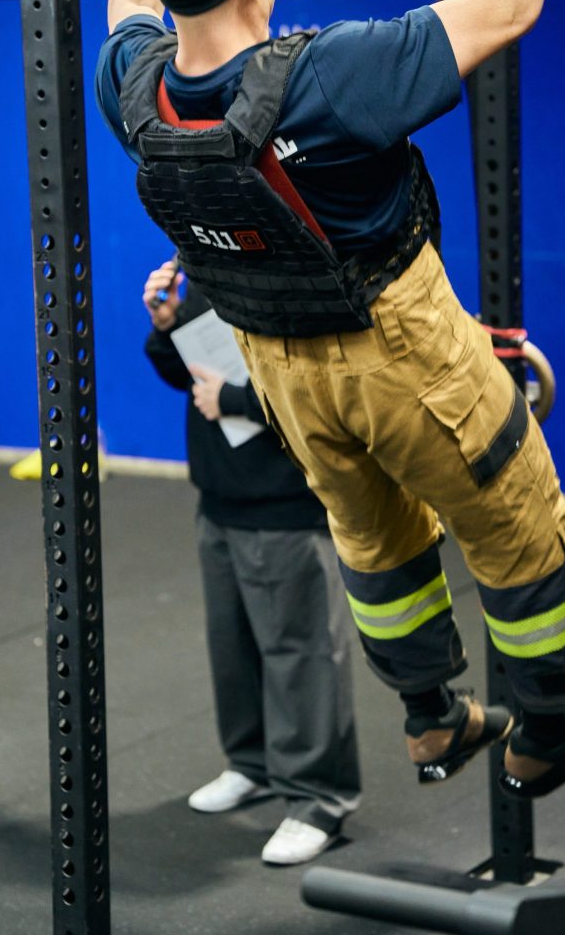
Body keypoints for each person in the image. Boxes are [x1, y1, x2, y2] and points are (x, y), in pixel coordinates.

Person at [95, 0, 565, 802]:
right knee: (511, 515)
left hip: (281, 371)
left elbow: (125, 3)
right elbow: (505, 5)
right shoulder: (331, 75)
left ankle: (430, 716)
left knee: (371, 533)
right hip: (403, 353)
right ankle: (551, 721)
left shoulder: (137, 86)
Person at [141, 262, 361, 865]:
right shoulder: (210, 271)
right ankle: (254, 765)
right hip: (219, 498)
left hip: (284, 504)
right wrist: (166, 328)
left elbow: (328, 391)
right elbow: (189, 376)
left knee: (301, 653)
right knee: (232, 646)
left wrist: (233, 397)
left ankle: (319, 799)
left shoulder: (301, 273)